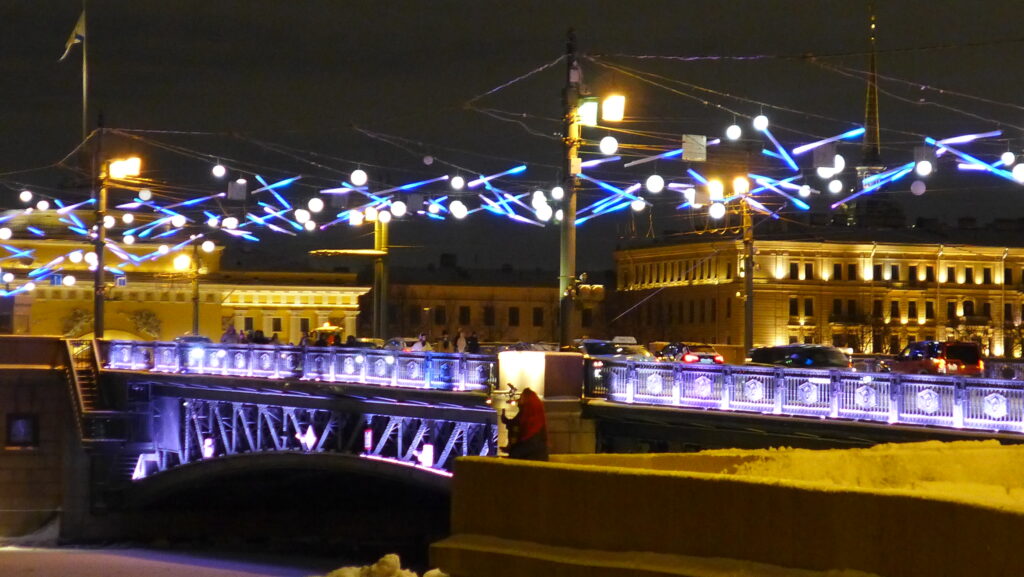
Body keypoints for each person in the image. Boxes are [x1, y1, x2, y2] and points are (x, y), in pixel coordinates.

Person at [500, 386, 548, 461]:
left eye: (521, 397)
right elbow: (516, 424)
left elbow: (517, 425)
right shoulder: (529, 413)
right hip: (531, 453)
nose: (519, 399)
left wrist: (513, 451)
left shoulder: (527, 415)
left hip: (529, 456)